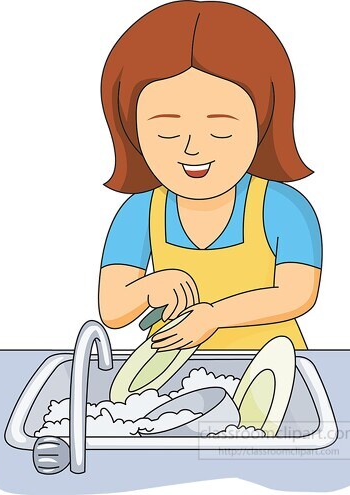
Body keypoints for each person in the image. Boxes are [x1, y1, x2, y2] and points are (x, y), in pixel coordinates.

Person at [98, 1, 322, 350]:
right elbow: (112, 309)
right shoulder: (141, 211)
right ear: (132, 131)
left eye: (220, 131)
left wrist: (214, 316)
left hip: (273, 374)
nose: (192, 149)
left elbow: (298, 293)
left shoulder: (282, 207)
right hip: (175, 381)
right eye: (167, 132)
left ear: (263, 123)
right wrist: (149, 287)